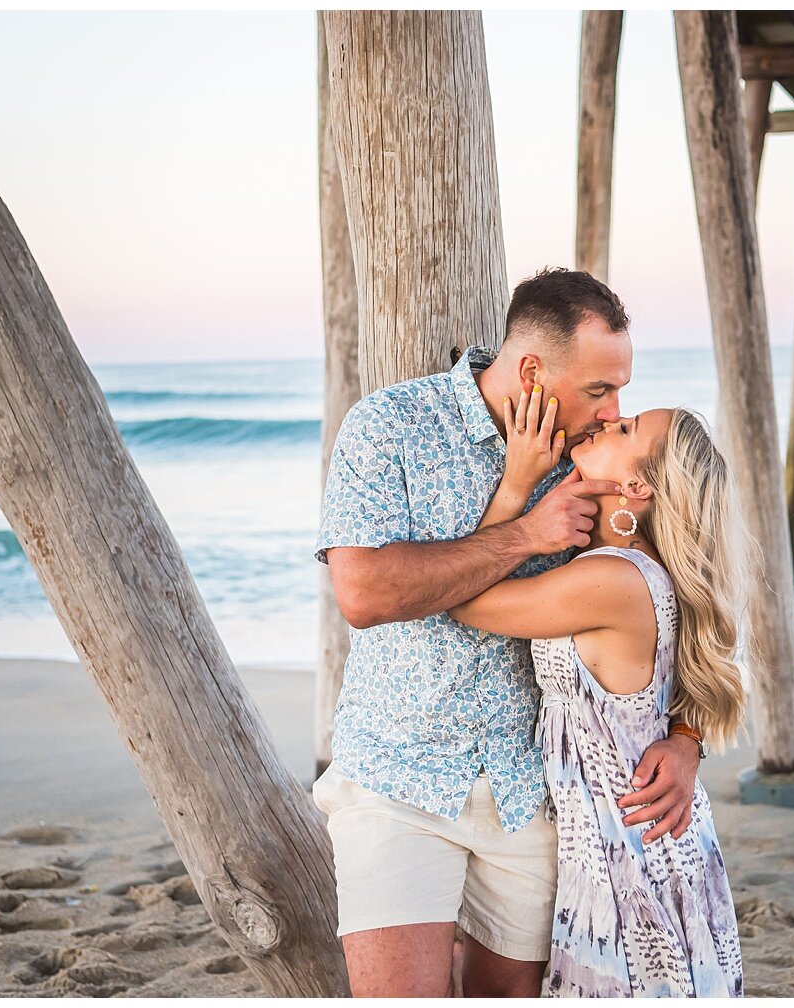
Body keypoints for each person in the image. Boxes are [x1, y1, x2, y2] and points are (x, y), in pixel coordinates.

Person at [314, 268, 706, 997]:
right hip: (399, 774)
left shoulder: (595, 460)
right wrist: (523, 530)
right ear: (531, 370)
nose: (613, 410)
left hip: (536, 794)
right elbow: (364, 593)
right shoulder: (389, 426)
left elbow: (689, 591)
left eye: (619, 393)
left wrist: (686, 739)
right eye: (599, 390)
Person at [450, 400, 746, 997]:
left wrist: (516, 484)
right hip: (633, 835)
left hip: (624, 848)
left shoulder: (613, 579)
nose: (611, 421)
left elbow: (464, 598)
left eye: (627, 428)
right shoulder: (638, 568)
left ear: (635, 485)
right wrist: (687, 740)